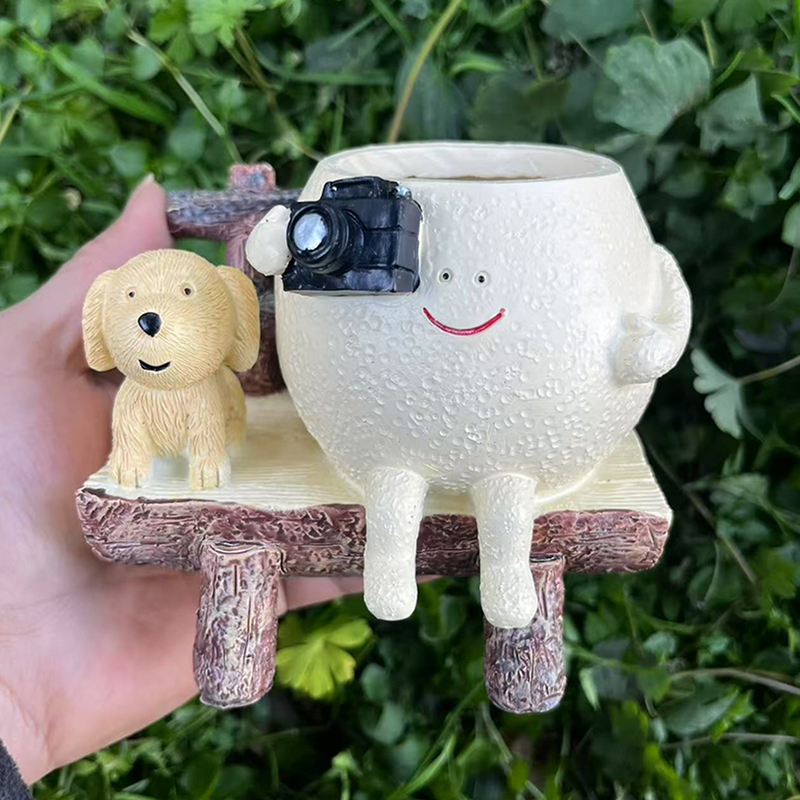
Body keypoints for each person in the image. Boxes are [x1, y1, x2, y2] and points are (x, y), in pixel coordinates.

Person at [0, 177, 361, 788]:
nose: (152, 320)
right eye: (134, 301)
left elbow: (216, 425)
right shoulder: (131, 392)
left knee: (215, 428)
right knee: (137, 433)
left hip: (225, 422)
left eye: (185, 297)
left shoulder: (218, 382)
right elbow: (130, 428)